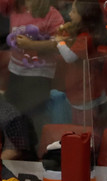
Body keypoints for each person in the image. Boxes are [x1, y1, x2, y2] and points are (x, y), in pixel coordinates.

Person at [7, 0, 66, 139]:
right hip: (15, 71)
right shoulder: (16, 9)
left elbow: (59, 44)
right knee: (12, 115)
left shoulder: (53, 15)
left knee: (32, 116)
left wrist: (31, 44)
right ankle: (17, 149)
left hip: (39, 74)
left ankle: (32, 151)